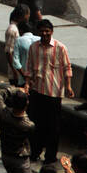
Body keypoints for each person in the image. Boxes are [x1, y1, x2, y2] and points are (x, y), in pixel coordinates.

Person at [26, 18, 73, 164]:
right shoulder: (33, 47)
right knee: (35, 125)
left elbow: (67, 68)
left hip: (54, 94)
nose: (45, 33)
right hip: (37, 91)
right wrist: (27, 84)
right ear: (38, 32)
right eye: (42, 31)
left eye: (47, 31)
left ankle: (50, 156)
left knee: (53, 128)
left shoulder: (60, 48)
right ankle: (34, 153)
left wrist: (69, 86)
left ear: (52, 32)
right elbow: (28, 68)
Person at [0, 86, 35, 173]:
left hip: (6, 155)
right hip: (20, 160)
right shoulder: (29, 125)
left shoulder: (3, 113)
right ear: (27, 104)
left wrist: (15, 90)